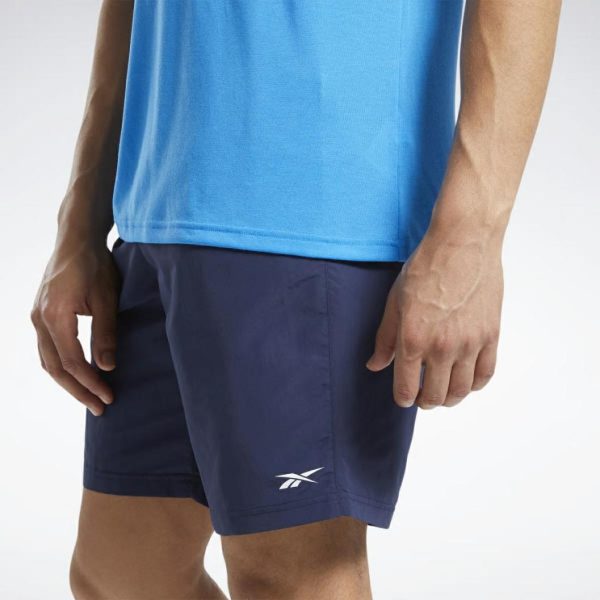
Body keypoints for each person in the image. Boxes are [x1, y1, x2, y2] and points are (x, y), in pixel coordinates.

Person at [31, 1, 561, 598]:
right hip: (161, 195)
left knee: (291, 580)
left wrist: (469, 237)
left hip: (315, 211)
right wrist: (80, 222)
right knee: (117, 577)